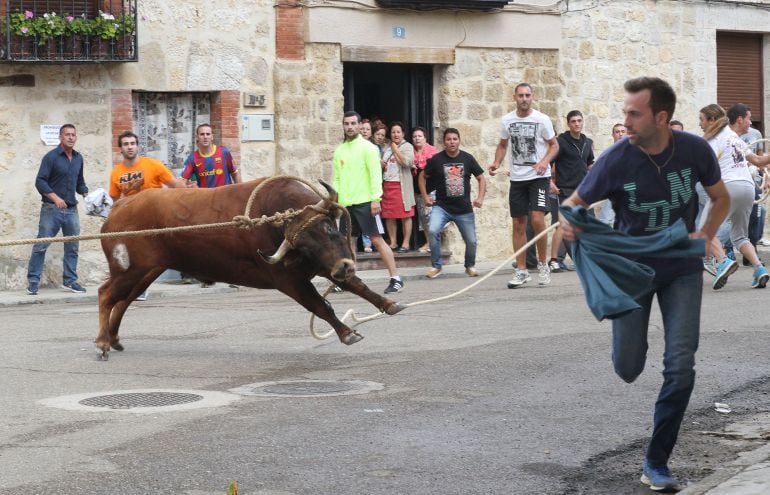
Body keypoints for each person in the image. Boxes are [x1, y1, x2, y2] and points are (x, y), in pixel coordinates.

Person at [560, 77, 730, 491]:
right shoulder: (616, 159)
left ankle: (656, 462)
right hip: (631, 272)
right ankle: (630, 339)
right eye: (625, 113)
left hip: (681, 269)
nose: (626, 121)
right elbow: (573, 205)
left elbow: (721, 197)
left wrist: (706, 233)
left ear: (661, 117)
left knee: (680, 367)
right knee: (629, 367)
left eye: (634, 114)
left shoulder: (693, 149)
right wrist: (569, 224)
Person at [488, 82, 559, 288]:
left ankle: (543, 264)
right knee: (518, 223)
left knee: (537, 219)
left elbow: (554, 145)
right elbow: (503, 145)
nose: (524, 99)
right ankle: (521, 270)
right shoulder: (507, 120)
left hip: (538, 176)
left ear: (532, 96)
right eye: (521, 95)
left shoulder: (542, 119)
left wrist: (544, 162)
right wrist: (496, 162)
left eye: (528, 95)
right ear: (515, 97)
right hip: (517, 178)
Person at [109, 131, 191, 300]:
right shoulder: (116, 173)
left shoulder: (153, 165)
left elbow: (175, 185)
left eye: (132, 143)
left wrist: (189, 195)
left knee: (156, 253)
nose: (130, 147)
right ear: (121, 149)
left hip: (155, 217)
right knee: (134, 255)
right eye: (126, 144)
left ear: (137, 146)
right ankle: (136, 287)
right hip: (132, 219)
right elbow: (115, 200)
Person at [698, 103, 770, 289]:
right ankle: (759, 269)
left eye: (702, 119)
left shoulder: (713, 139)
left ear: (712, 120)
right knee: (739, 236)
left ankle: (722, 261)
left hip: (728, 187)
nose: (700, 124)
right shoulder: (736, 138)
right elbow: (759, 161)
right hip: (747, 188)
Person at [332, 111, 404, 294]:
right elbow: (337, 179)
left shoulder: (368, 148)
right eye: (346, 124)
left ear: (358, 126)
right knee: (349, 242)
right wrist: (337, 200)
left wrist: (376, 199)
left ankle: (396, 278)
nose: (350, 127)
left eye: (353, 123)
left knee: (377, 240)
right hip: (347, 204)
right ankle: (348, 280)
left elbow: (375, 174)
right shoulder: (339, 151)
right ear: (343, 126)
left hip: (366, 202)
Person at [26, 124, 89, 295]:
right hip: (51, 209)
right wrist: (55, 198)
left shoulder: (78, 158)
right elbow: (40, 181)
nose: (70, 137)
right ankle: (33, 281)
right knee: (41, 245)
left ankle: (70, 281)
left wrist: (86, 194)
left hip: (71, 210)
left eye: (73, 135)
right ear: (60, 137)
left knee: (73, 247)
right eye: (67, 134)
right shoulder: (51, 157)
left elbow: (80, 182)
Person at [419, 128, 486, 278]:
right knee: (433, 230)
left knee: (471, 241)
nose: (452, 142)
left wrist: (480, 198)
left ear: (459, 140)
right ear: (444, 142)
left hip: (464, 209)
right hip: (442, 207)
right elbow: (422, 176)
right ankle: (436, 266)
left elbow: (481, 178)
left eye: (455, 139)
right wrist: (425, 197)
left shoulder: (468, 159)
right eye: (449, 139)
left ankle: (470, 266)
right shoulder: (437, 159)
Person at [549, 110, 595, 272]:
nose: (577, 124)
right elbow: (549, 162)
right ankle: (553, 260)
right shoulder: (560, 142)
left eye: (579, 121)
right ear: (568, 124)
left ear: (583, 122)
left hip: (584, 191)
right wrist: (550, 182)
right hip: (565, 190)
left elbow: (589, 163)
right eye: (573, 121)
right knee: (563, 225)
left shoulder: (587, 142)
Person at [380, 122, 416, 253]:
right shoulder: (387, 148)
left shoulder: (407, 147)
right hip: (388, 185)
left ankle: (406, 244)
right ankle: (393, 242)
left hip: (401, 186)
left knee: (405, 215)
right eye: (393, 132)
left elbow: (407, 162)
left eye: (398, 132)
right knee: (389, 215)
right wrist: (382, 164)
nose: (395, 134)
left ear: (403, 134)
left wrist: (395, 149)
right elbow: (384, 165)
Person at [181, 123, 241, 188]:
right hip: (206, 197)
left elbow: (235, 173)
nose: (205, 137)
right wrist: (189, 187)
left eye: (208, 134)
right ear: (197, 137)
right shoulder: (192, 158)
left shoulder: (224, 152)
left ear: (212, 137)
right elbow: (182, 181)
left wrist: (241, 192)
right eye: (202, 134)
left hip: (225, 196)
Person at [412, 126, 439, 254]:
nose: (417, 138)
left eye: (419, 136)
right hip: (418, 190)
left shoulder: (432, 152)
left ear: (425, 138)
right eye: (414, 136)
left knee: (430, 216)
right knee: (423, 218)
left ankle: (432, 243)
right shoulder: (411, 152)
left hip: (431, 189)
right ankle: (429, 241)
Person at [596, 123, 627, 226]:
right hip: (613, 194)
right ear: (613, 135)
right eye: (617, 132)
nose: (620, 134)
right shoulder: (607, 154)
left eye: (623, 131)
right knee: (605, 222)